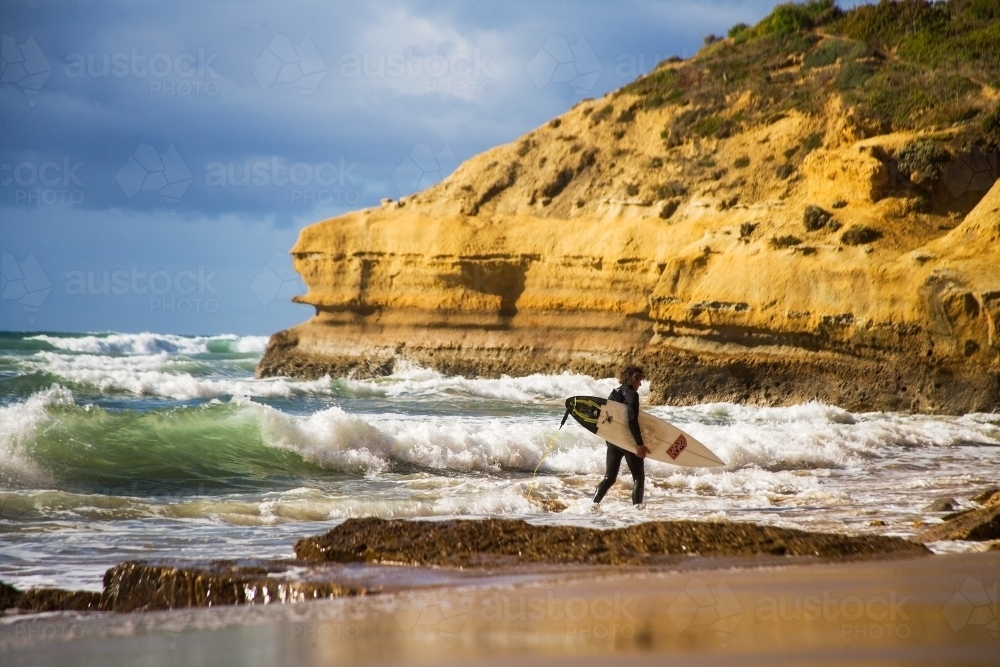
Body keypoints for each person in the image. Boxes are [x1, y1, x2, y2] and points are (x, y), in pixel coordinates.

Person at [593, 364, 648, 506]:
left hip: (614, 441)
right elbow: (631, 418)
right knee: (638, 478)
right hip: (628, 441)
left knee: (609, 478)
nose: (640, 384)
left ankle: (593, 505)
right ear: (633, 379)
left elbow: (605, 420)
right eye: (639, 380)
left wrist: (609, 441)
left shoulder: (613, 393)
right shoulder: (632, 394)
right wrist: (639, 444)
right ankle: (638, 510)